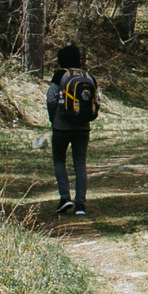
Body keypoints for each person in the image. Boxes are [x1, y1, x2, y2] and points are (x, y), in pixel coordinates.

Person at [45, 45, 99, 217]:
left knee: (60, 160)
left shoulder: (60, 75)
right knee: (80, 163)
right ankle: (81, 204)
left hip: (61, 126)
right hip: (83, 127)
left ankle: (64, 197)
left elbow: (51, 98)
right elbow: (96, 102)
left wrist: (53, 118)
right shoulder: (88, 76)